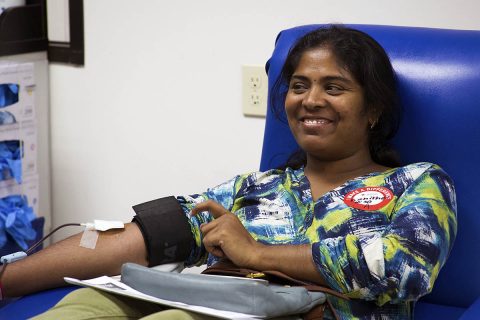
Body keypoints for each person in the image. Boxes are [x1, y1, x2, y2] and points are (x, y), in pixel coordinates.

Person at [1, 25, 457, 320]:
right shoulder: (255, 187)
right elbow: (156, 234)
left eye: (333, 88)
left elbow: (406, 267)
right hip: (210, 298)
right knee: (85, 307)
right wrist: (9, 278)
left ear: (374, 109)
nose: (311, 100)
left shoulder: (416, 182)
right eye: (299, 86)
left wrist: (257, 253)